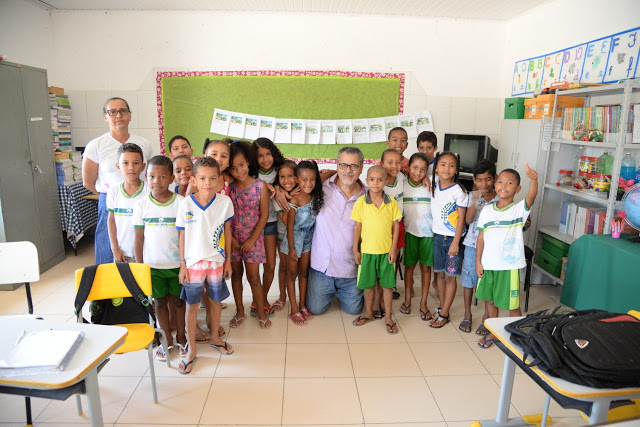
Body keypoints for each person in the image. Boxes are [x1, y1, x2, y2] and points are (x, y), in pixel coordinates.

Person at [177, 157, 234, 375]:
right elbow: (182, 235)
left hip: (217, 261)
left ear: (220, 180)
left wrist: (228, 261)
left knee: (215, 300)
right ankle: (191, 349)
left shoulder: (225, 202)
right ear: (193, 180)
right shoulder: (186, 203)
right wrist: (183, 265)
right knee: (192, 305)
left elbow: (228, 233)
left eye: (212, 179)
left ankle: (215, 337)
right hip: (193, 263)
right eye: (202, 178)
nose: (207, 183)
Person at [476, 163, 538, 349]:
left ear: (517, 189)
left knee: (512, 305)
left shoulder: (519, 210)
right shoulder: (487, 211)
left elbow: (532, 195)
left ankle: (519, 335)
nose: (504, 185)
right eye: (500, 182)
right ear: (495, 185)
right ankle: (494, 332)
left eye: (510, 183)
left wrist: (534, 179)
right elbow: (481, 238)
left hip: (508, 267)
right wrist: (478, 261)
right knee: (490, 301)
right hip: (488, 265)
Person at [82, 97, 151, 264]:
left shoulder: (144, 143)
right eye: (112, 112)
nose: (118, 115)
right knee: (109, 249)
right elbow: (88, 182)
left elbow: (149, 173)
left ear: (130, 115)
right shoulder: (96, 145)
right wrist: (114, 196)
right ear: (106, 117)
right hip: (109, 201)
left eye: (123, 111)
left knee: (141, 247)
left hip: (140, 199)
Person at [133, 155, 186, 360]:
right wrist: (139, 268)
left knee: (179, 302)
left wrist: (185, 264)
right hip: (153, 267)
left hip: (177, 266)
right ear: (146, 177)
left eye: (162, 176)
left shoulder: (181, 203)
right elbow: (138, 239)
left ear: (172, 179)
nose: (157, 181)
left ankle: (181, 336)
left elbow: (185, 236)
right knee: (159, 303)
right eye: (152, 176)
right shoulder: (141, 205)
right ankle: (167, 339)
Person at [306, 147, 367, 315]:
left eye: (354, 166)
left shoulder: (368, 197)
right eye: (343, 165)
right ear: (337, 165)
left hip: (349, 269)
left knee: (354, 310)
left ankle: (341, 290)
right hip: (321, 267)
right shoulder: (320, 187)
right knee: (316, 309)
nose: (348, 170)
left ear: (361, 168)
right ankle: (327, 289)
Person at [351, 166, 402, 334]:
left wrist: (393, 249)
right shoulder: (361, 202)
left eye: (380, 180)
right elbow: (357, 227)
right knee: (368, 285)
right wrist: (355, 249)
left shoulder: (391, 202)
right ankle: (369, 312)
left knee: (387, 286)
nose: (375, 183)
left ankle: (388, 317)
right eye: (372, 179)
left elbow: (396, 227)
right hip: (367, 252)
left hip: (386, 252)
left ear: (386, 181)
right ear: (367, 181)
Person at [227, 140, 272, 329]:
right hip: (233, 239)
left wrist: (252, 240)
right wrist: (231, 239)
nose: (239, 171)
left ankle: (261, 313)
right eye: (233, 168)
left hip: (254, 240)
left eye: (241, 165)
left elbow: (264, 215)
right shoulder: (229, 188)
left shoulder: (260, 187)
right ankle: (240, 311)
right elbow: (224, 216)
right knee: (236, 275)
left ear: (248, 162)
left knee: (254, 278)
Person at [281, 161, 324, 326]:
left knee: (304, 273)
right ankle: (293, 308)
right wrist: (292, 248)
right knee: (292, 275)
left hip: (308, 238)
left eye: (312, 179)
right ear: (297, 180)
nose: (309, 183)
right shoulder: (295, 198)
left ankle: (302, 305)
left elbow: (328, 174)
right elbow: (290, 226)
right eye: (304, 180)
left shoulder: (314, 195)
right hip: (294, 239)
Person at [429, 151, 468, 328]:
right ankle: (442, 308)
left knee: (450, 277)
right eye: (443, 164)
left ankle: (444, 314)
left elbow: (461, 219)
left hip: (452, 240)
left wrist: (455, 242)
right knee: (440, 275)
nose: (447, 168)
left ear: (456, 169)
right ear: (436, 167)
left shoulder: (459, 191)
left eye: (452, 165)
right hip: (437, 238)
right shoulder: (433, 184)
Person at [459, 160, 498, 334]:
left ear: (495, 178)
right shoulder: (472, 196)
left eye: (488, 179)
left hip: (492, 248)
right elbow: (468, 220)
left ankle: (486, 317)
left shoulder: (501, 197)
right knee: (469, 280)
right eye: (480, 180)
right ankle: (467, 314)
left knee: (489, 282)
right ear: (474, 180)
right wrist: (475, 199)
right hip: (472, 244)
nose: (484, 184)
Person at [253, 138, 287, 313]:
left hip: (271, 224)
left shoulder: (280, 170)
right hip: (252, 225)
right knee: (254, 267)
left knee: (271, 265)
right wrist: (262, 184)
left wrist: (279, 188)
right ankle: (257, 299)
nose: (265, 159)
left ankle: (262, 298)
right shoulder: (251, 173)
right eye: (260, 155)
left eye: (268, 154)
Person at [400, 153, 434, 320]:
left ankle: (423, 303)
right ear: (408, 168)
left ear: (427, 171)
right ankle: (407, 299)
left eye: (423, 170)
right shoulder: (402, 185)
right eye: (415, 168)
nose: (418, 172)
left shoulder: (431, 185)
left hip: (428, 234)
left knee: (426, 268)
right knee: (409, 267)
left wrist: (428, 178)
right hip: (409, 233)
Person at [106, 143, 149, 262]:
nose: (131, 167)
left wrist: (142, 252)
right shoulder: (113, 191)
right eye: (125, 163)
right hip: (122, 253)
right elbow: (111, 220)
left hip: (146, 252)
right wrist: (115, 249)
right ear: (118, 166)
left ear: (143, 166)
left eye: (136, 163)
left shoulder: (149, 190)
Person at [380, 148, 406, 302]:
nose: (394, 166)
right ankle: (379, 286)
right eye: (390, 162)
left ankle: (392, 285)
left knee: (394, 257)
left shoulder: (402, 178)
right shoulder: (378, 182)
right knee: (381, 257)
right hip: (382, 226)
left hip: (398, 224)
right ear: (382, 164)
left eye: (397, 163)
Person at [273, 160, 299, 311]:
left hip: (301, 237)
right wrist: (289, 198)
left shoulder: (302, 192)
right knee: (284, 266)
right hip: (282, 236)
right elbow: (286, 220)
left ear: (297, 177)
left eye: (290, 176)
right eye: (282, 177)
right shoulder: (278, 197)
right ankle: (282, 296)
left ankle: (299, 297)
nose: (286, 180)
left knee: (296, 269)